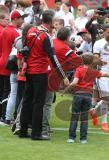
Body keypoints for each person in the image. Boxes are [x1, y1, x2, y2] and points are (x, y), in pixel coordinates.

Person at [19, 10, 69, 140]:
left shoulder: (31, 30)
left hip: (29, 71)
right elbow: (53, 58)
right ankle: (36, 133)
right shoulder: (46, 36)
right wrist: (63, 76)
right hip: (40, 72)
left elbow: (25, 50)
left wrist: (25, 63)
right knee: (38, 103)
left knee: (27, 101)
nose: (56, 23)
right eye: (55, 20)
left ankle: (23, 130)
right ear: (51, 21)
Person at [64, 54, 109, 144]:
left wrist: (66, 89)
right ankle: (83, 139)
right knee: (84, 118)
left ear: (82, 61)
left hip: (78, 95)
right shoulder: (94, 71)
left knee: (74, 117)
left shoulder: (79, 70)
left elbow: (74, 82)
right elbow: (104, 74)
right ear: (91, 62)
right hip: (88, 95)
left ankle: (71, 138)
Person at [0, 9, 26, 124]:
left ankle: (4, 116)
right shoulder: (15, 33)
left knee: (5, 92)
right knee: (10, 92)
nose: (23, 20)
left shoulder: (5, 30)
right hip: (12, 64)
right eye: (21, 18)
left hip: (3, 61)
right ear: (15, 19)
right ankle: (6, 116)